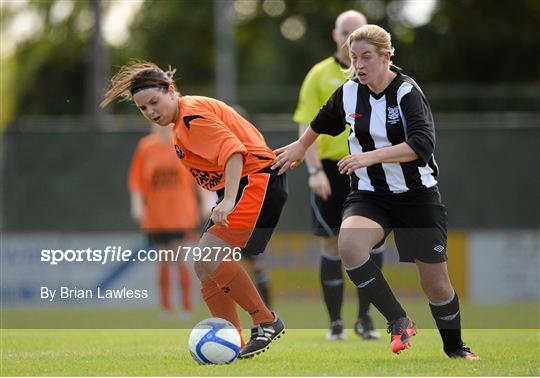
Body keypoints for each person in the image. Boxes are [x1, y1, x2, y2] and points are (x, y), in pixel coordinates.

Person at [273, 25, 479, 360]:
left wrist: (369, 156)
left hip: (416, 197)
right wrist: (300, 147)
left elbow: (421, 145)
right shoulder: (350, 91)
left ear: (387, 56)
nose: (359, 65)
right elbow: (321, 121)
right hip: (370, 195)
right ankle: (398, 320)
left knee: (436, 285)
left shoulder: (407, 93)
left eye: (366, 57)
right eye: (354, 58)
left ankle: (456, 349)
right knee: (349, 247)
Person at [101, 62, 288, 359]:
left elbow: (234, 151)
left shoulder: (191, 117)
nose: (150, 111)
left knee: (208, 256)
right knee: (203, 267)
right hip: (240, 185)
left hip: (254, 181)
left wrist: (226, 201)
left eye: (154, 102)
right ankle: (231, 340)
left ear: (170, 91)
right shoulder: (180, 123)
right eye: (143, 108)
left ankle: (265, 321)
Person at [294, 10, 383, 341]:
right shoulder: (319, 75)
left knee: (371, 244)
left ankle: (366, 320)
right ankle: (335, 324)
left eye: (357, 30)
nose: (351, 37)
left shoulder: (378, 75)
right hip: (331, 170)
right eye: (346, 31)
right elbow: (307, 123)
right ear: (336, 35)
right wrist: (314, 170)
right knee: (333, 243)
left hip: (369, 167)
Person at [128, 123, 201, 319]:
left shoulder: (183, 145)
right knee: (163, 260)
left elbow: (199, 175)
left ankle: (186, 307)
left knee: (180, 259)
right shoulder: (146, 147)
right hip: (156, 213)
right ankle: (165, 307)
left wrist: (207, 202)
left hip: (181, 212)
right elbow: (136, 179)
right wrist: (137, 204)